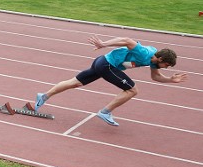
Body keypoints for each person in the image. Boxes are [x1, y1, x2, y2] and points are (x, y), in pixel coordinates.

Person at [34, 36, 185, 126]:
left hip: (101, 62)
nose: (166, 68)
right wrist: (103, 44)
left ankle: (43, 96)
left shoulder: (153, 61)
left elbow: (155, 77)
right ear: (161, 59)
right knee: (132, 90)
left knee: (76, 82)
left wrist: (170, 80)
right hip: (107, 65)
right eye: (166, 65)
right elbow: (126, 40)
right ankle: (105, 112)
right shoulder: (145, 53)